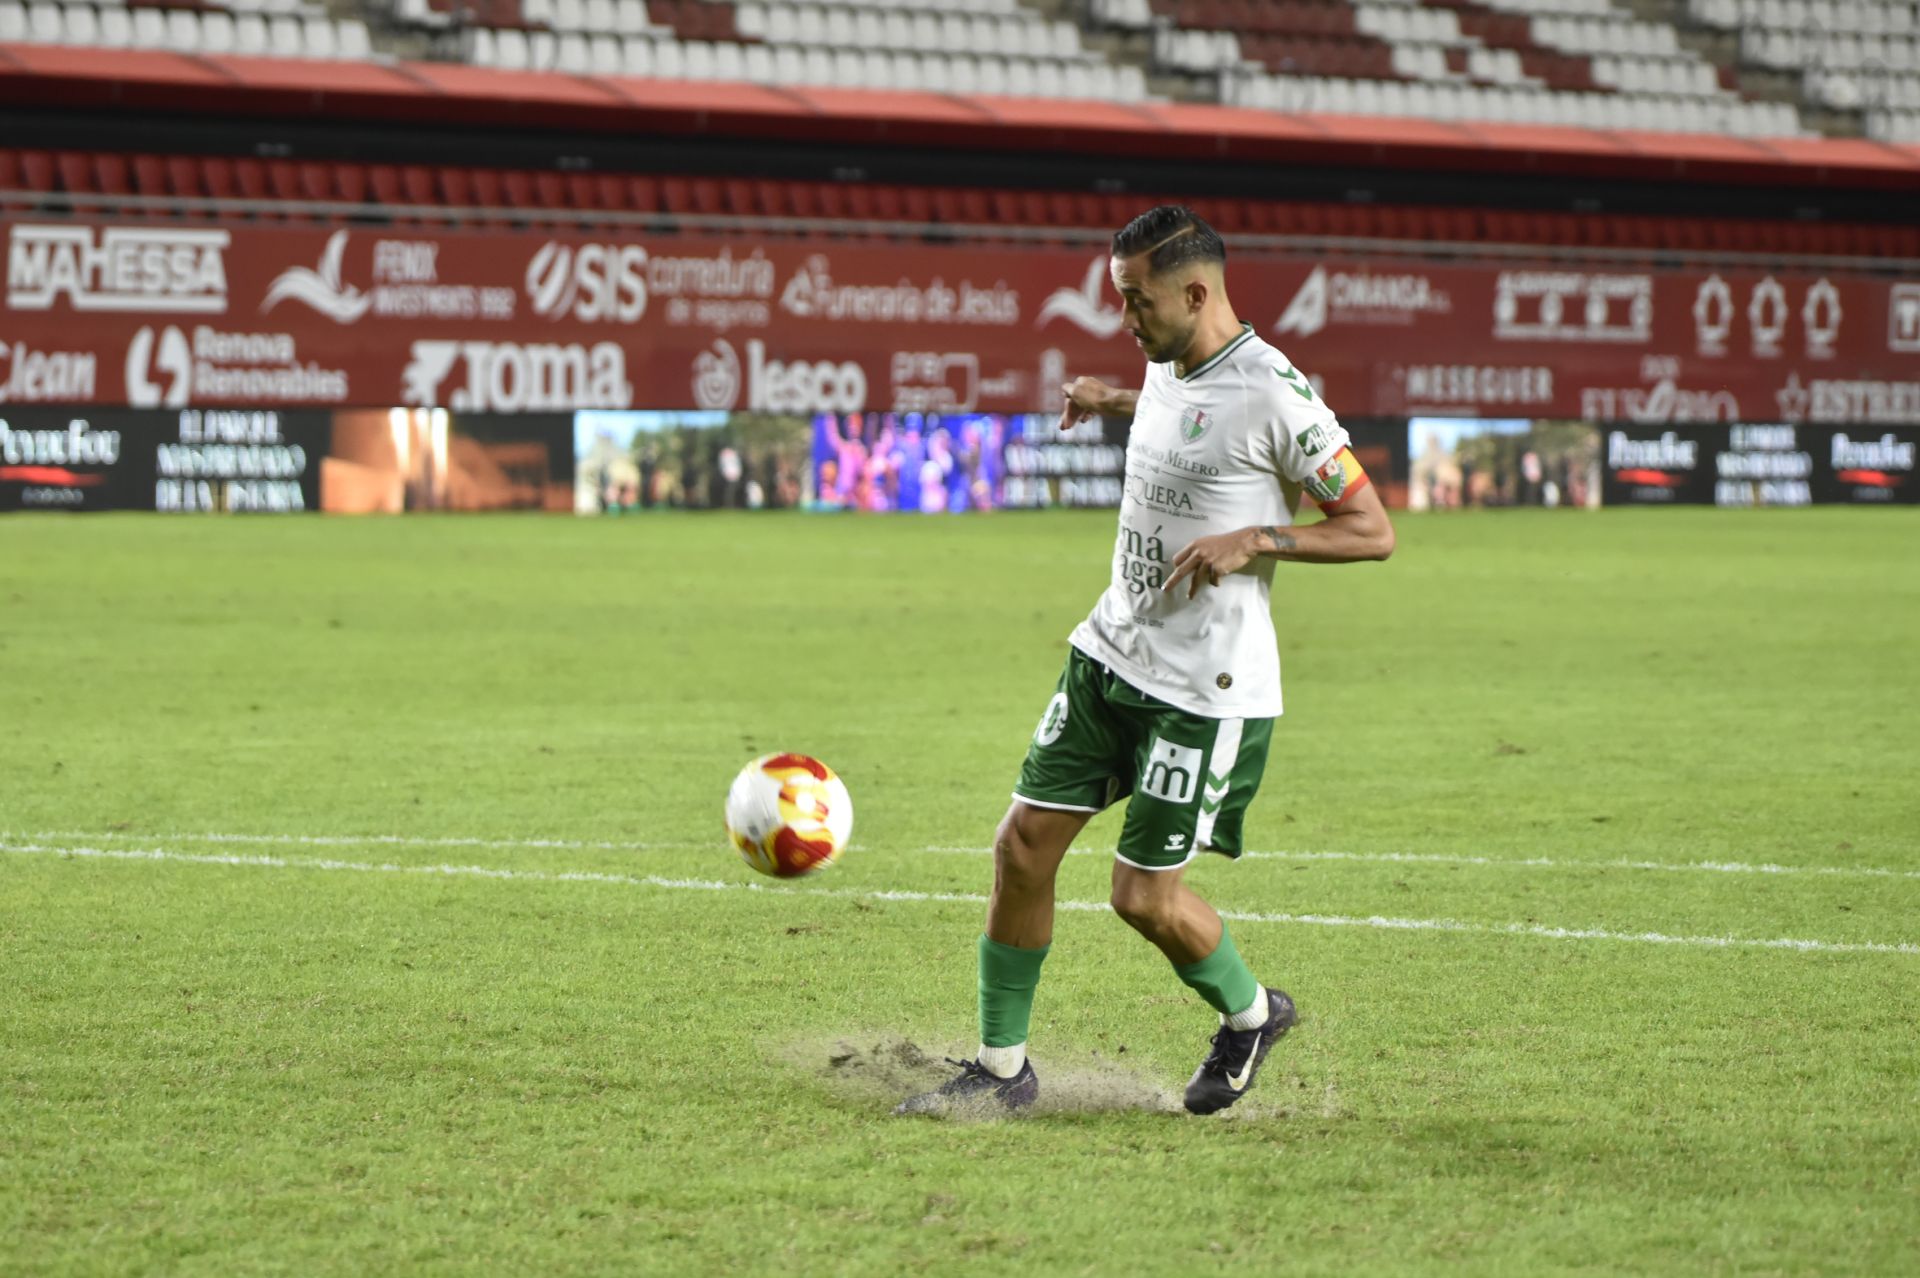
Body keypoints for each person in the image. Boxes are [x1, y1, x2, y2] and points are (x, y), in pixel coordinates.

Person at [898, 206, 1395, 1117]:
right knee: (1020, 849)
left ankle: (1250, 1017)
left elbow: (1374, 530)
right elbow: (1186, 413)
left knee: (1142, 899)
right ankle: (1001, 1072)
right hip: (1110, 650)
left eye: (1136, 301)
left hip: (1200, 691)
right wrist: (1112, 397)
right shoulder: (1169, 359)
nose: (1124, 319)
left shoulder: (1279, 394)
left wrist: (1258, 535)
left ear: (1196, 293)